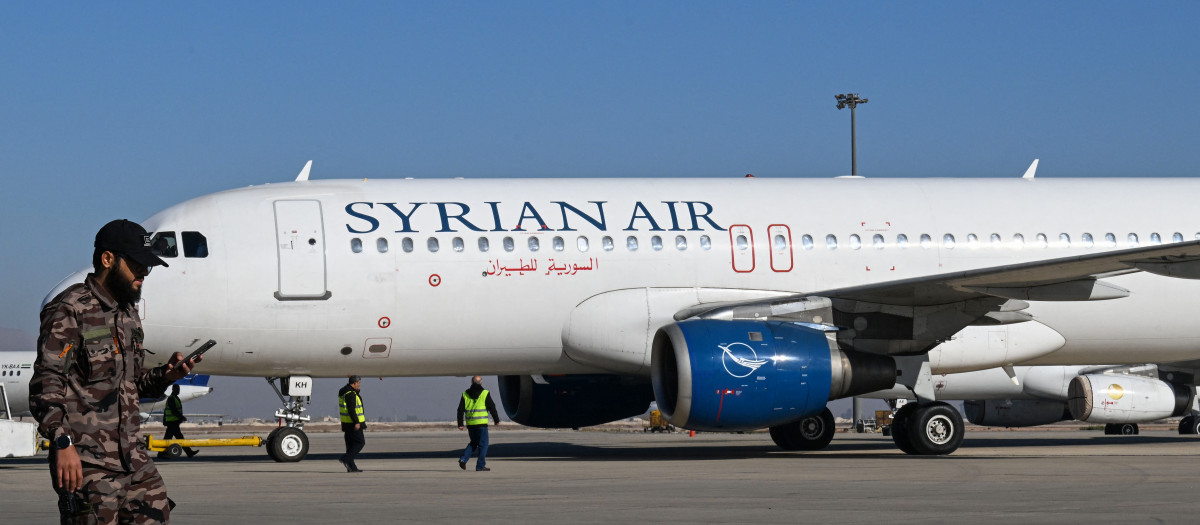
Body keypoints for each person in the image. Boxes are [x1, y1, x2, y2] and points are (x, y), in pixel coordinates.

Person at [30, 219, 200, 524]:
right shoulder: (70, 310)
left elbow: (131, 384)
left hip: (133, 458)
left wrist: (166, 376)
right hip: (87, 462)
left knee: (157, 511)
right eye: (137, 266)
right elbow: (46, 383)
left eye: (147, 268)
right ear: (108, 259)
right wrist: (61, 443)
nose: (144, 274)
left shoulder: (128, 313)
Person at [457, 376, 500, 472]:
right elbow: (492, 407)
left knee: (473, 443)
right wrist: (496, 419)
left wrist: (460, 424)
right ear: (481, 383)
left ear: (471, 383)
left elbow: (460, 410)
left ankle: (463, 459)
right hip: (481, 424)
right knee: (483, 445)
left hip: (471, 424)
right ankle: (480, 466)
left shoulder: (465, 394)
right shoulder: (485, 393)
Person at [158, 384, 198, 459]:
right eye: (177, 389)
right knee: (178, 438)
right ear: (173, 390)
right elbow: (173, 410)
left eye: (179, 389)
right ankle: (189, 452)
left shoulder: (175, 398)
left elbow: (167, 410)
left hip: (174, 422)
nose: (178, 391)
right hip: (172, 422)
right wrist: (181, 417)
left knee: (169, 438)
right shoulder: (172, 398)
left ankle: (161, 454)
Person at [338, 375, 366, 473]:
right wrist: (356, 422)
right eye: (359, 383)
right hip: (353, 424)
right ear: (354, 384)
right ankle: (345, 459)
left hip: (346, 423)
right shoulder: (351, 394)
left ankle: (352, 468)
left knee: (350, 446)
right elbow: (351, 410)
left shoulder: (345, 393)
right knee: (360, 443)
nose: (359, 385)